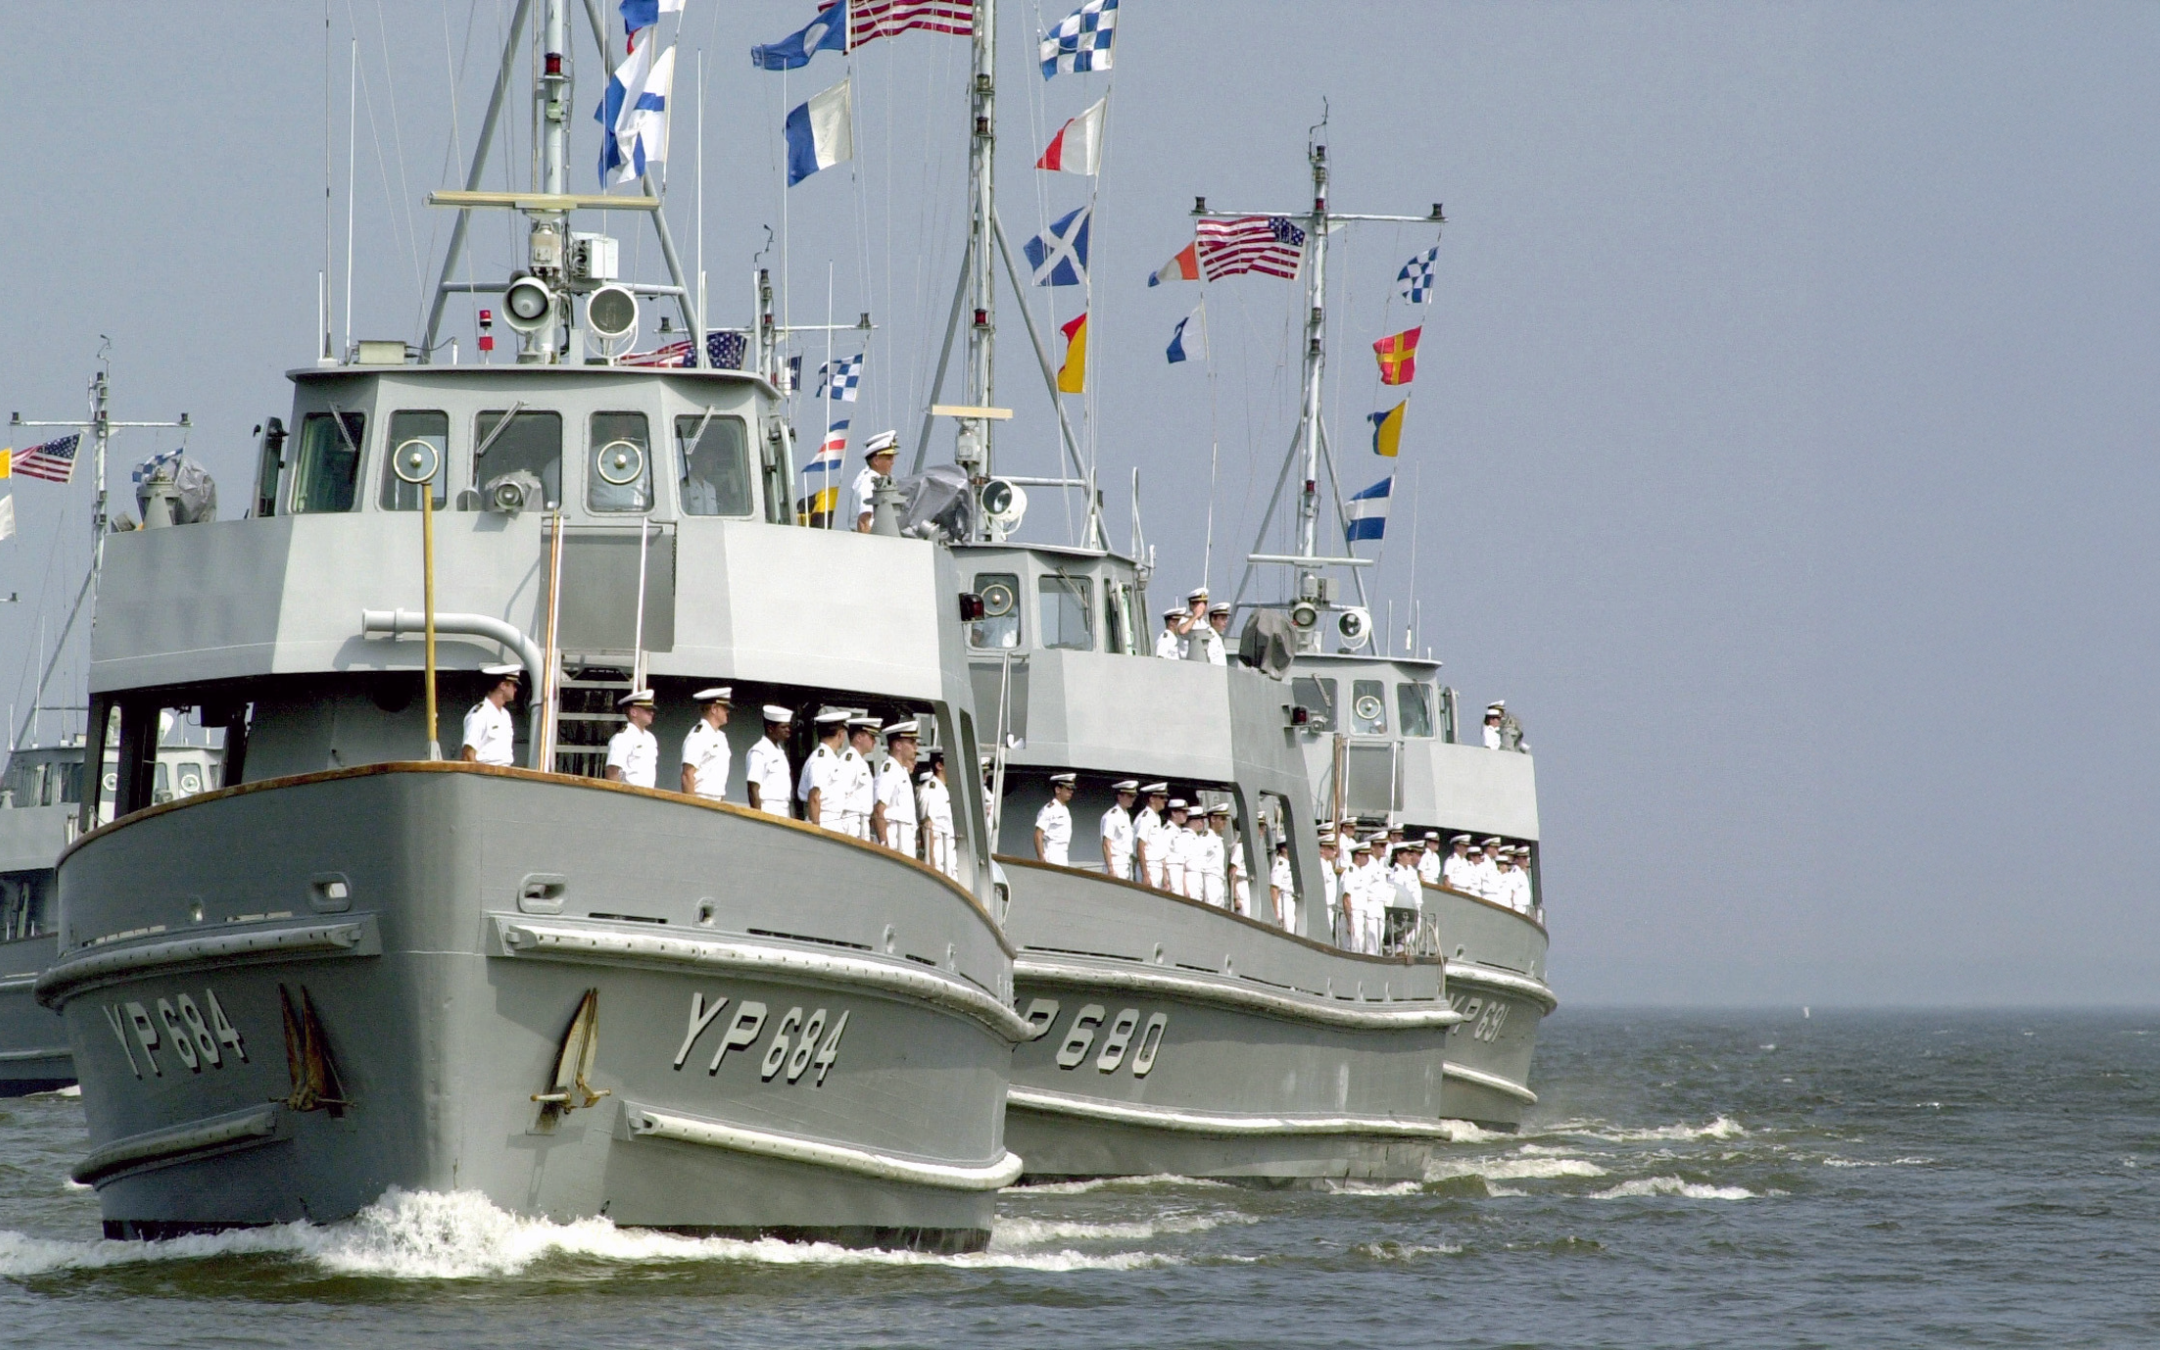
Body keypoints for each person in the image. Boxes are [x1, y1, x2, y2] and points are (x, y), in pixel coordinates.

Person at [872, 720, 921, 854]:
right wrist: (884, 844)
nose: (915, 747)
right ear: (898, 745)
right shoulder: (889, 770)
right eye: (911, 742)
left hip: (906, 838)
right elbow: (878, 810)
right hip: (894, 839)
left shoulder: (902, 771)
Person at [797, 707, 850, 829]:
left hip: (834, 821)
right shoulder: (821, 760)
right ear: (840, 734)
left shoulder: (830, 759)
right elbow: (814, 797)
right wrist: (817, 831)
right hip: (824, 821)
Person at [460, 664, 521, 765]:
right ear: (503, 686)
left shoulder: (505, 716)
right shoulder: (480, 714)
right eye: (513, 685)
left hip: (505, 774)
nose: (515, 689)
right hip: (485, 775)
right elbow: (468, 754)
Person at [679, 686, 733, 800]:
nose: (727, 711)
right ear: (714, 709)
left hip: (717, 800)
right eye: (724, 708)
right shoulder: (698, 736)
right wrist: (692, 808)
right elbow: (687, 775)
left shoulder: (721, 737)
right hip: (701, 799)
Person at [745, 705, 794, 816]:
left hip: (783, 809)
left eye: (788, 727)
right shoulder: (759, 752)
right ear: (770, 728)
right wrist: (758, 818)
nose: (788, 730)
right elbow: (753, 789)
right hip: (768, 808)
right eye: (783, 727)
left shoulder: (780, 752)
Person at [604, 689, 659, 788]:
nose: (652, 713)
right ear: (633, 712)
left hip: (648, 796)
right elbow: (612, 772)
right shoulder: (623, 738)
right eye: (647, 710)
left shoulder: (650, 739)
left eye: (652, 710)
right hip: (629, 797)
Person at [840, 716, 880, 839]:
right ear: (859, 738)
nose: (875, 742)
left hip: (862, 823)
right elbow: (841, 795)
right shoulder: (849, 761)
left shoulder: (861, 762)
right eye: (871, 737)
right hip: (851, 823)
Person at [919, 751, 957, 877]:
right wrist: (931, 864)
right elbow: (927, 826)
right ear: (939, 766)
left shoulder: (942, 790)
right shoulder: (931, 790)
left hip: (948, 857)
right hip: (938, 857)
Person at [852, 431, 898, 533]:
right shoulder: (869, 482)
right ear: (876, 460)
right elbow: (864, 521)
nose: (893, 462)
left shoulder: (872, 479)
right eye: (889, 458)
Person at [1034, 772, 1076, 865]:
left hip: (1063, 855)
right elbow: (1038, 835)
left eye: (1072, 789)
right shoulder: (1049, 809)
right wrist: (1041, 859)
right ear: (1058, 789)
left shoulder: (1065, 810)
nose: (1071, 791)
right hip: (1051, 855)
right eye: (1068, 788)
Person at [1100, 780, 1138, 880]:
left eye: (1134, 796)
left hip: (1126, 863)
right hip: (1115, 863)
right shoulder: (1112, 816)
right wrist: (1111, 870)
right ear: (1119, 796)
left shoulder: (1126, 815)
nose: (1132, 799)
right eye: (1130, 796)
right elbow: (1106, 844)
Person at [1135, 783, 1170, 887]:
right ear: (1152, 799)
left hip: (1157, 866)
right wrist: (1145, 875)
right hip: (1148, 867)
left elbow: (1159, 849)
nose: (1165, 800)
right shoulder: (1145, 818)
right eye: (1162, 797)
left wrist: (1164, 877)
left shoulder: (1156, 817)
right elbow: (1140, 847)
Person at [1196, 805, 1230, 908]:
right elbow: (1199, 863)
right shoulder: (1205, 838)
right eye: (1222, 819)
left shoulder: (1218, 839)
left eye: (1225, 819)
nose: (1225, 822)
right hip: (1209, 880)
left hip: (1219, 880)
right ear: (1213, 819)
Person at [1160, 799, 1194, 896]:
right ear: (1174, 813)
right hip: (1171, 871)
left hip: (1179, 871)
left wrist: (1185, 887)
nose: (1186, 815)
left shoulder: (1179, 831)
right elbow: (1162, 856)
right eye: (1183, 812)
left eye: (1186, 812)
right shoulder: (1167, 831)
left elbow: (1181, 860)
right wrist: (1165, 879)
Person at [1317, 830, 1342, 944]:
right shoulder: (1320, 864)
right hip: (1323, 906)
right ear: (1322, 849)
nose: (1334, 851)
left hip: (1329, 906)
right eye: (1331, 848)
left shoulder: (1327, 864)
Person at [1270, 839, 1297, 933]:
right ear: (1284, 849)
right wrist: (1276, 913)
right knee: (1287, 931)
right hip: (1283, 900)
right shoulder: (1280, 864)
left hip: (1291, 900)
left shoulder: (1289, 864)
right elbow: (1274, 889)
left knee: (1291, 929)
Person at [1474, 837, 1506, 901]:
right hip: (1486, 896)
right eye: (1496, 848)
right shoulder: (1482, 862)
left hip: (1496, 896)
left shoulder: (1493, 863)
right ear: (1489, 848)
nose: (1498, 850)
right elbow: (1478, 880)